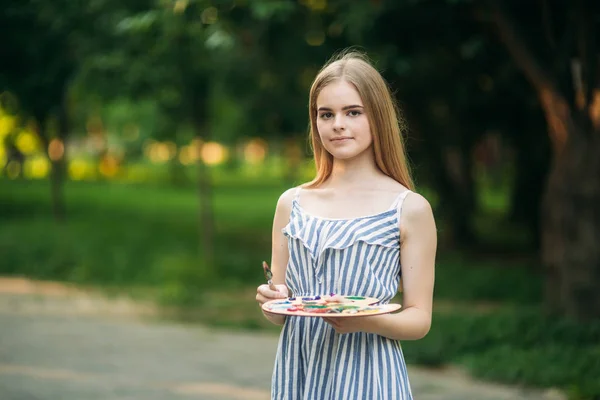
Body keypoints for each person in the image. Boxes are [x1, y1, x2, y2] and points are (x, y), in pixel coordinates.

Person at [255, 50, 437, 400]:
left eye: (353, 112)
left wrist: (364, 321)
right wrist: (271, 300)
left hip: (368, 373)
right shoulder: (291, 203)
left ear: (378, 118)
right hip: (299, 370)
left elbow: (419, 320)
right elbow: (283, 311)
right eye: (326, 114)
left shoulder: (409, 209)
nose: (338, 124)